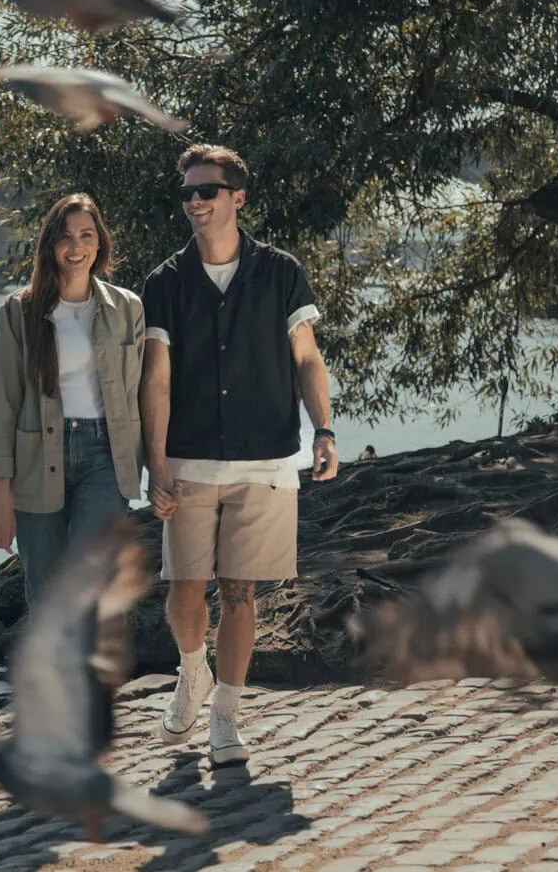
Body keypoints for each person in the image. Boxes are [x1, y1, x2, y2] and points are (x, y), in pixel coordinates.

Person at [140, 144, 339, 764]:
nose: (195, 202)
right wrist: (157, 463)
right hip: (190, 459)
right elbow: (157, 379)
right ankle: (191, 670)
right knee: (184, 590)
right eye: (188, 193)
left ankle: (225, 712)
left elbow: (306, 356)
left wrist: (324, 430)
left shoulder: (281, 272)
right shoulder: (165, 283)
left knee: (241, 592)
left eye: (207, 191)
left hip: (267, 460)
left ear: (237, 198)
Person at [0, 193, 146, 608]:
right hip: (37, 460)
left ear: (100, 242)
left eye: (86, 236)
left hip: (105, 457)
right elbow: (1, 404)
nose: (76, 248)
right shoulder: (19, 311)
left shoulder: (127, 308)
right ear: (50, 245)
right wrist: (1, 497)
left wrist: (158, 467)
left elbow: (144, 396)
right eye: (66, 237)